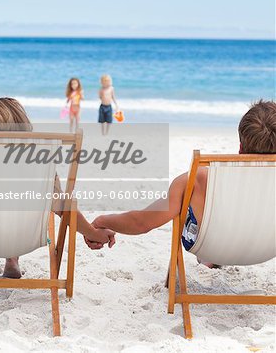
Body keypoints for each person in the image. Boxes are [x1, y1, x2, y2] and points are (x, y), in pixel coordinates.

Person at [88, 100, 276, 267]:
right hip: (266, 249)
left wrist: (101, 221)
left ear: (240, 147)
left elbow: (142, 222)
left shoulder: (198, 178)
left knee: (188, 205)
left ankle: (209, 258)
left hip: (211, 247)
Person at [0, 97, 115, 279]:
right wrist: (92, 233)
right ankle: (12, 259)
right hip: (20, 238)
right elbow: (63, 207)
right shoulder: (35, 165)